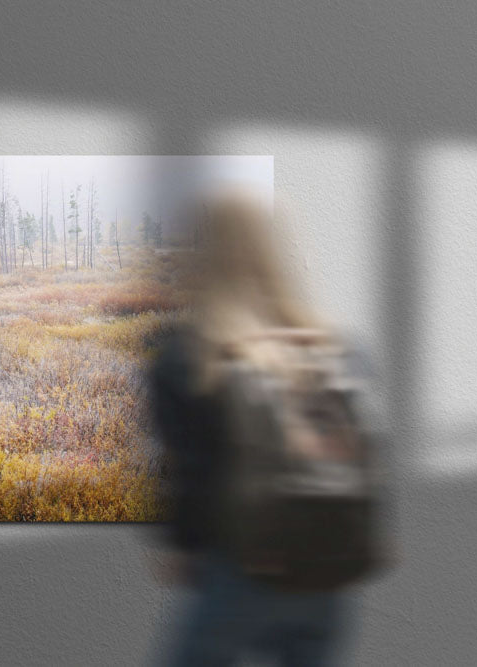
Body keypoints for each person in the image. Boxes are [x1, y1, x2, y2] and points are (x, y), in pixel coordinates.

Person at [148, 192, 364, 666]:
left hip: (241, 567)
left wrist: (183, 546)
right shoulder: (334, 349)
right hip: (328, 570)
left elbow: (192, 475)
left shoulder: (190, 357)